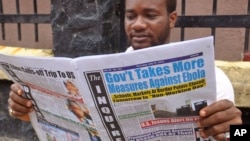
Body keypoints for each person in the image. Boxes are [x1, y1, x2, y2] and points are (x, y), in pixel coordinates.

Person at [8, 0, 242, 141]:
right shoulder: (101, 71)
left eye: (150, 15)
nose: (138, 24)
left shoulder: (212, 77)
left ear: (171, 19)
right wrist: (25, 107)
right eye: (131, 16)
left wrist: (236, 132)